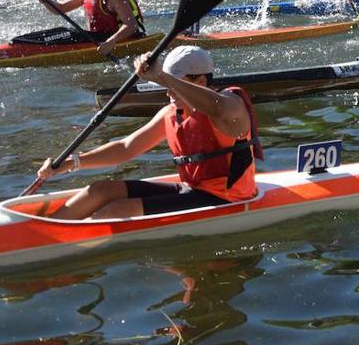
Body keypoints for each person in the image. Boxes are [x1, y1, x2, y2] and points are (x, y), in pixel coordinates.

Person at [33, 47, 262, 219]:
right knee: (100, 190)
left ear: (200, 81)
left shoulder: (231, 106)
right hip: (192, 190)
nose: (166, 91)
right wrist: (72, 163)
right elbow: (126, 148)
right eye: (165, 84)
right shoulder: (171, 113)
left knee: (119, 209)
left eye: (173, 83)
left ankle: (68, 245)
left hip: (228, 198)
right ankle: (47, 233)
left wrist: (161, 75)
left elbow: (217, 107)